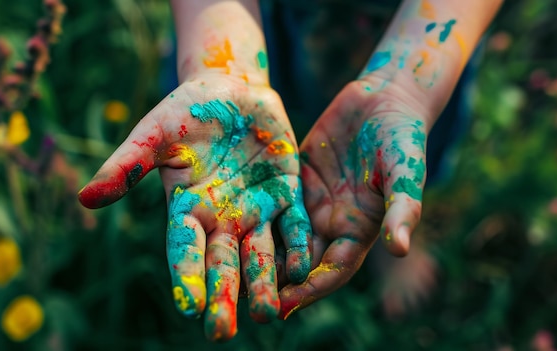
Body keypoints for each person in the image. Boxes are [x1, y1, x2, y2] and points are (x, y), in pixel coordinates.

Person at [78, 0, 503, 341]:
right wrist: (224, 65)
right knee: (300, 116)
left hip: (423, 37)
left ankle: (392, 233)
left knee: (393, 157)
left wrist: (405, 86)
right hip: (260, 23)